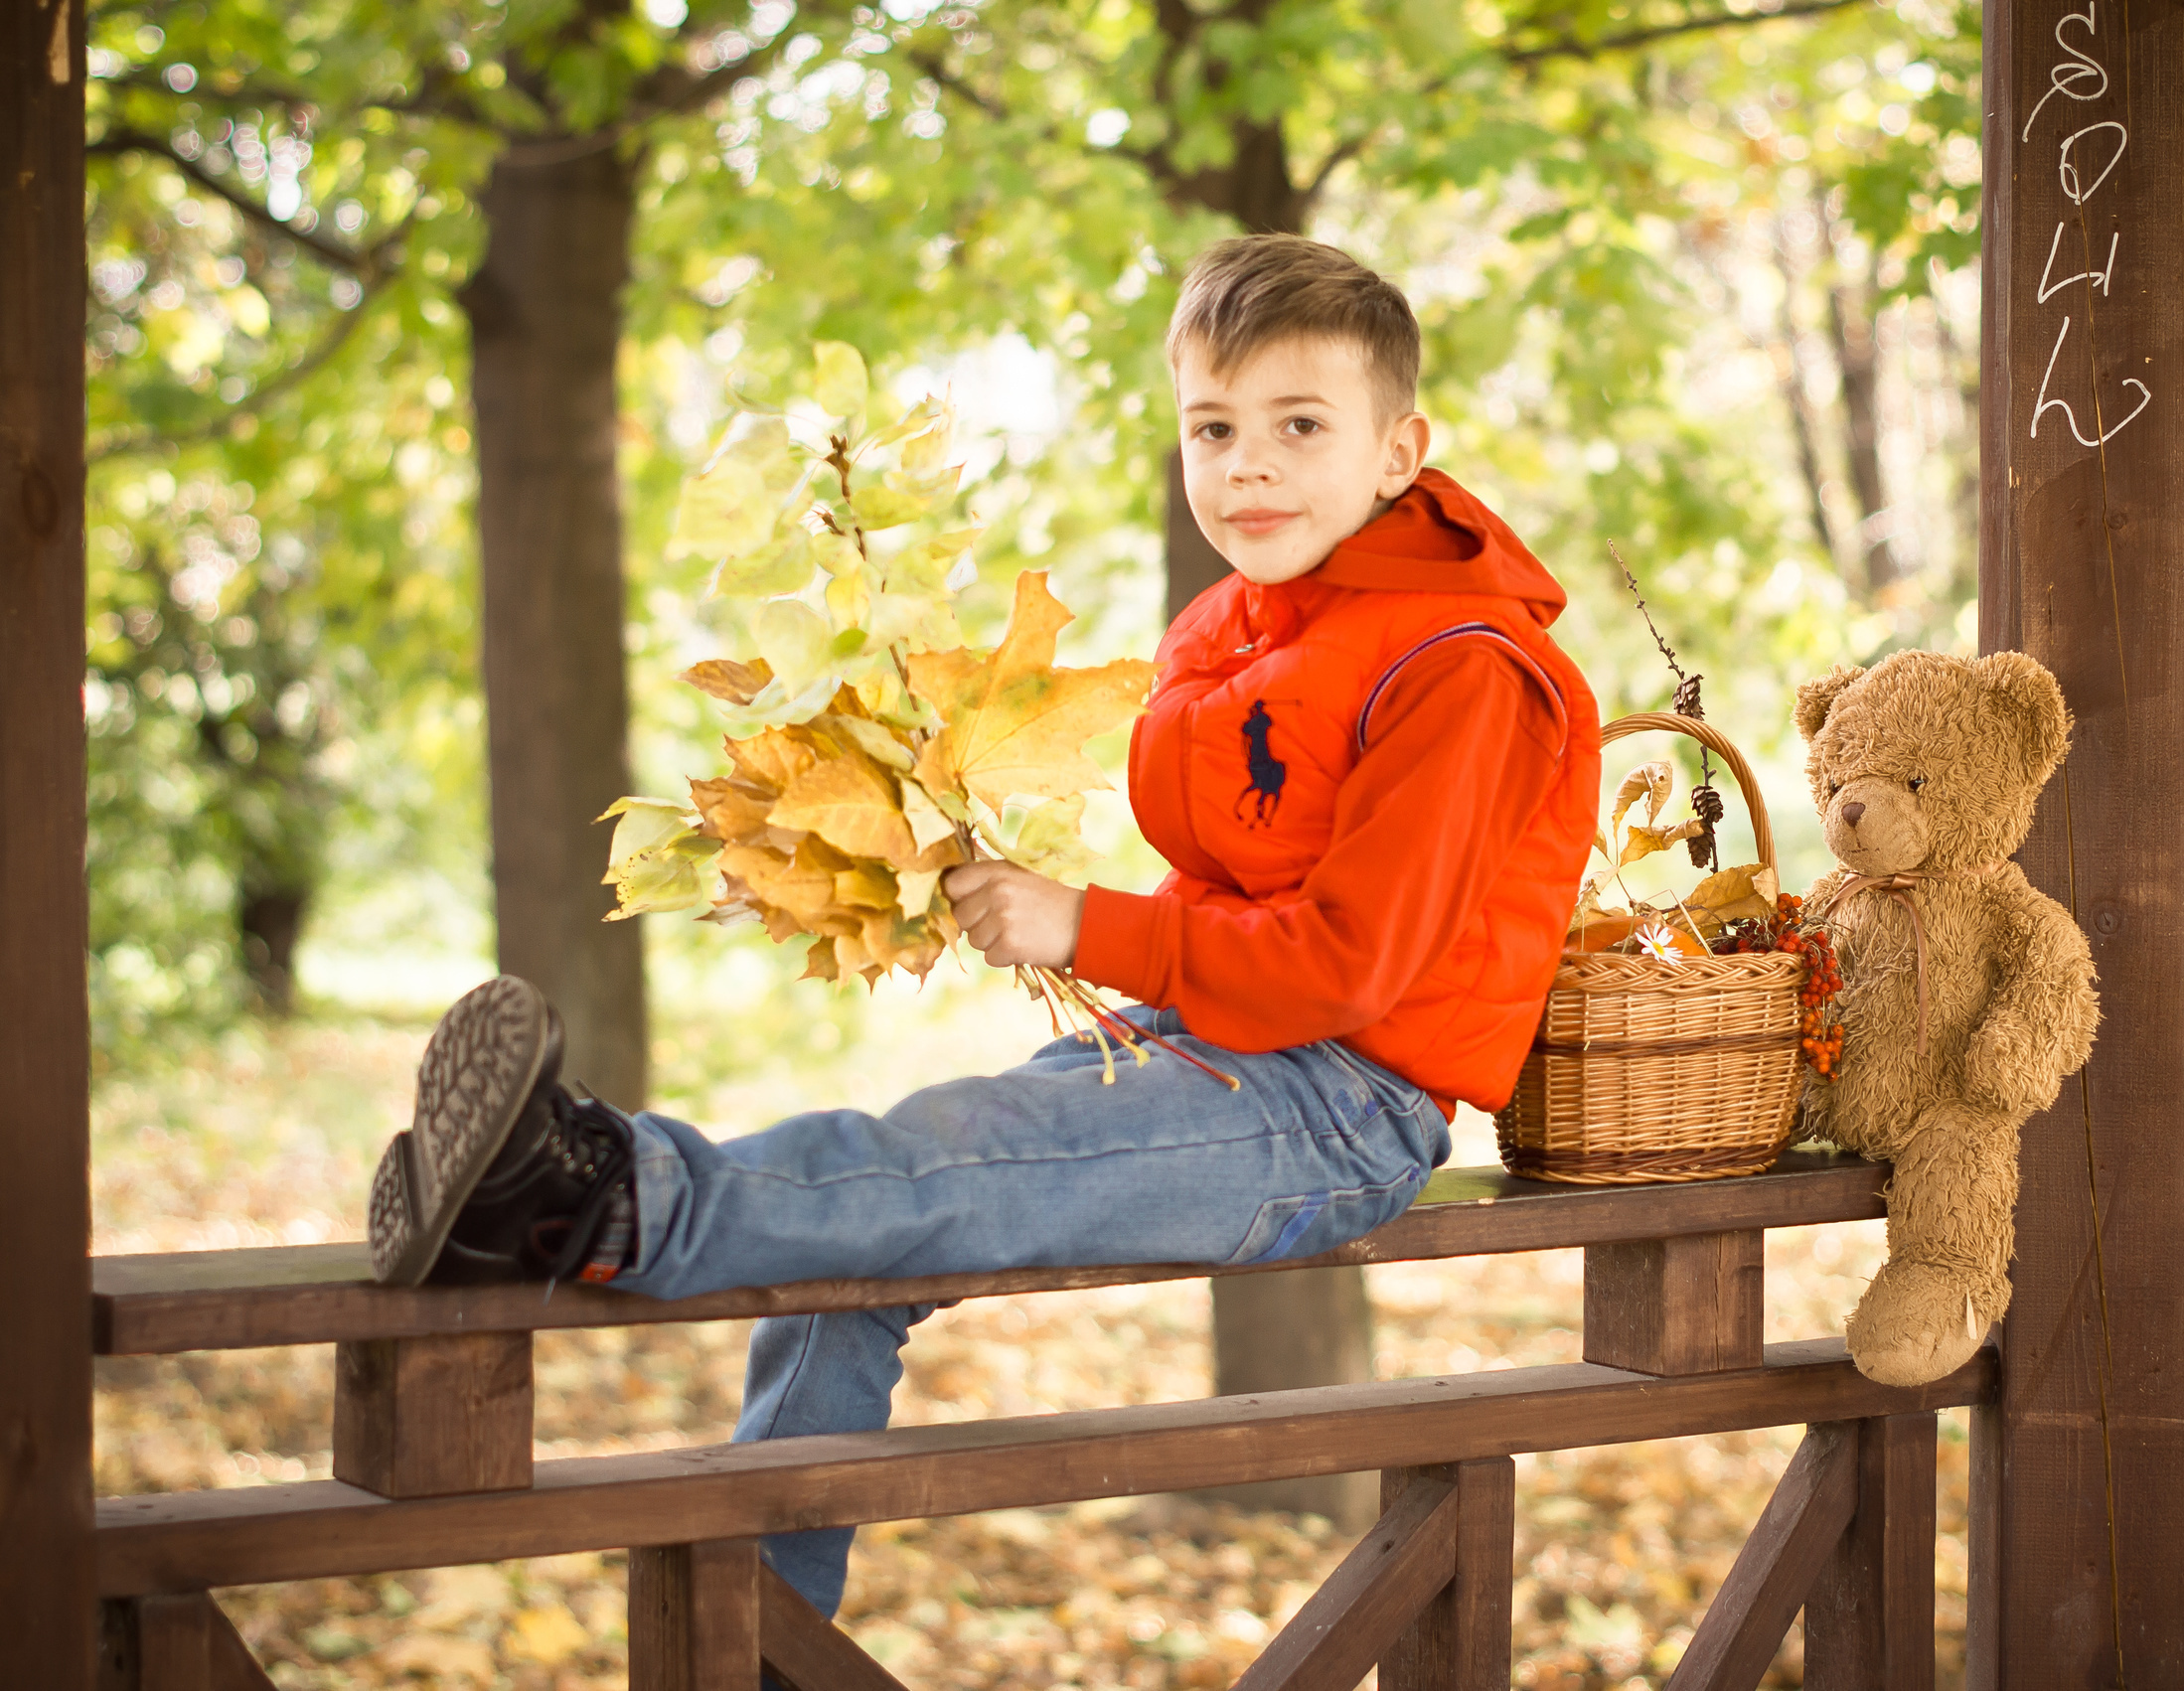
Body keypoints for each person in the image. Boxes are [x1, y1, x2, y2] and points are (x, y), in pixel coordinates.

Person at [363, 233, 1603, 1618]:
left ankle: (586, 1201)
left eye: (1299, 425)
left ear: (1397, 448)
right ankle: (763, 1642)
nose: (1246, 464)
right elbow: (1235, 888)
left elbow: (1348, 962)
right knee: (849, 1258)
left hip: (1341, 1106)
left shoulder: (1467, 671)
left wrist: (1083, 925)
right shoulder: (1255, 625)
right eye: (1214, 426)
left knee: (950, 1162)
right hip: (1206, 1044)